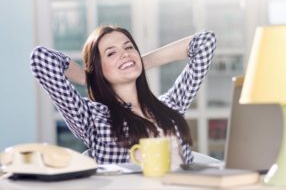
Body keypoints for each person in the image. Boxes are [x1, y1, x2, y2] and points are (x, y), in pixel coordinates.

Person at [30, 25, 216, 168]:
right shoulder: (93, 117)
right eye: (111, 53)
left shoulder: (171, 103)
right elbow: (41, 59)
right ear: (98, 68)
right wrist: (92, 79)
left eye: (128, 47)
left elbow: (205, 42)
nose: (124, 54)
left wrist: (139, 63)